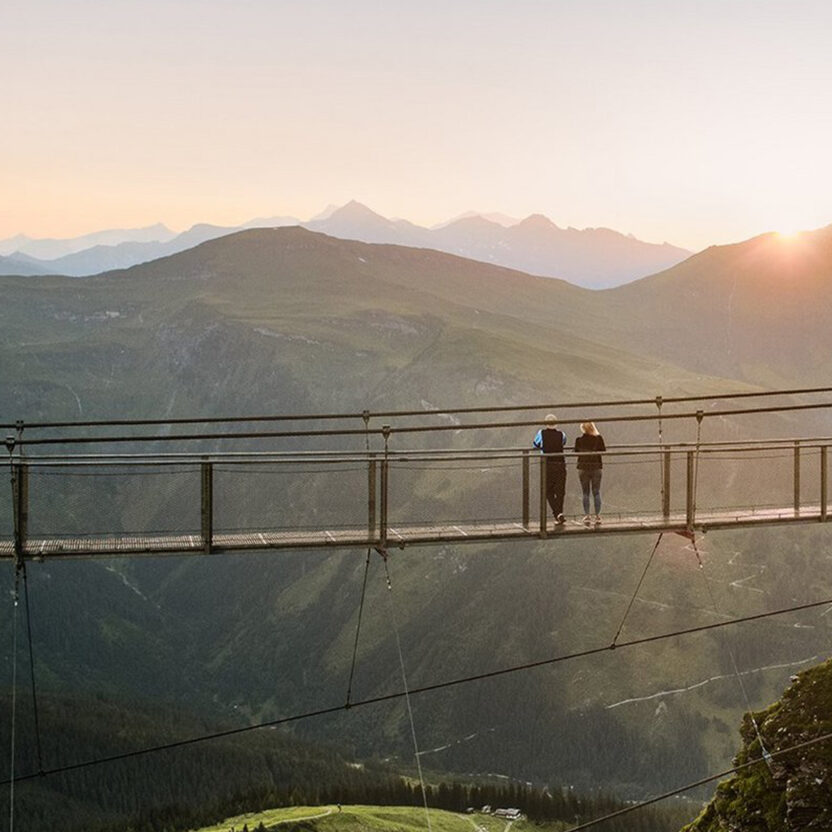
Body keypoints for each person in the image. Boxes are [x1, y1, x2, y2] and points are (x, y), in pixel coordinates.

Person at [533, 414, 567, 524]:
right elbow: (563, 442)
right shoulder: (562, 434)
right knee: (560, 491)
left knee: (548, 491)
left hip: (547, 464)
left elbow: (536, 443)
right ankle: (559, 513)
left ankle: (557, 513)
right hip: (560, 463)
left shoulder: (541, 433)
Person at [574, 422, 606, 525]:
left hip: (583, 468)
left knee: (585, 492)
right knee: (596, 492)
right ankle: (597, 516)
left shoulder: (579, 440)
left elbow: (576, 451)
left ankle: (587, 516)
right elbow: (603, 450)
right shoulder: (598, 439)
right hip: (596, 467)